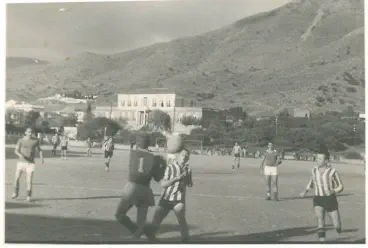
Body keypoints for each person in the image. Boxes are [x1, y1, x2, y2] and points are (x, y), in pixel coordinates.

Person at [114, 133, 166, 239]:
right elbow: (157, 178)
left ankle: (137, 231)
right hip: (145, 190)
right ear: (149, 143)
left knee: (119, 214)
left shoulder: (132, 153)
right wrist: (163, 166)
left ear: (137, 143)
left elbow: (139, 153)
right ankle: (147, 234)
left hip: (131, 188)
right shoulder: (155, 158)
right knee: (141, 221)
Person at [300, 144, 344, 242]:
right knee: (320, 220)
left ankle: (338, 227)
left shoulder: (332, 172)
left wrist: (334, 191)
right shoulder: (314, 170)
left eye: (319, 159)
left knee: (336, 224)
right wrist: (305, 191)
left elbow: (341, 186)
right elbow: (312, 181)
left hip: (330, 199)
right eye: (316, 158)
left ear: (326, 161)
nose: (317, 160)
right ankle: (322, 242)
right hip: (318, 198)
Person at [148, 148, 193, 242]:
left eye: (187, 155)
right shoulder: (170, 168)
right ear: (178, 156)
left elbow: (189, 184)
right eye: (183, 154)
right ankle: (151, 237)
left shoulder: (187, 168)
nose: (184, 157)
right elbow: (163, 184)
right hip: (166, 198)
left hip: (179, 199)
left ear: (188, 158)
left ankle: (185, 240)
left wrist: (188, 175)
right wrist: (177, 178)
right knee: (157, 219)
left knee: (181, 220)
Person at [12, 127, 44, 202]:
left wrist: (42, 158)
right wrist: (20, 155)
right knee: (16, 178)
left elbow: (40, 150)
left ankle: (28, 196)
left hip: (30, 163)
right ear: (25, 132)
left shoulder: (35, 141)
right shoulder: (21, 140)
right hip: (21, 162)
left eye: (31, 132)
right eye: (29, 132)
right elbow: (16, 150)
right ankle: (15, 192)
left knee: (29, 180)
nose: (30, 133)